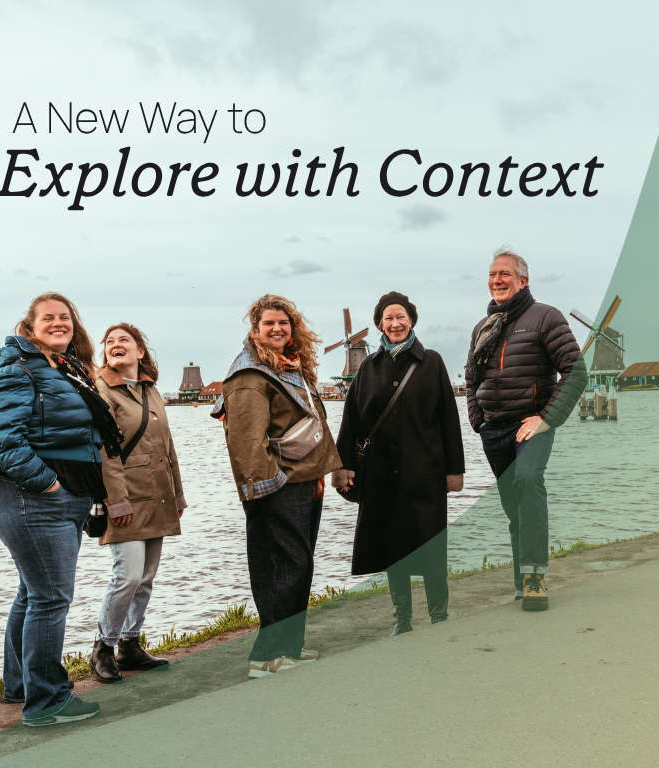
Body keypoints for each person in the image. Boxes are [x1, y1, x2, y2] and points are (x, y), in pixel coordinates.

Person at [0, 292, 123, 726]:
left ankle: (20, 685)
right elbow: (7, 440)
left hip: (62, 497)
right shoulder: (17, 367)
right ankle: (47, 702)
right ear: (29, 326)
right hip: (33, 498)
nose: (58, 323)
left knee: (33, 592)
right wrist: (50, 485)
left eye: (65, 317)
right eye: (48, 318)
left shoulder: (66, 368)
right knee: (50, 597)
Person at [212, 295, 341, 676]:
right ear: (255, 330)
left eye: (283, 323)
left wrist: (319, 474)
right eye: (269, 324)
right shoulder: (250, 375)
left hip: (301, 480)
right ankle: (265, 656)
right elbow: (248, 440)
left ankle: (290, 647)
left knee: (298, 566)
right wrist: (271, 486)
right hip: (277, 485)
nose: (277, 329)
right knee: (279, 568)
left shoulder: (290, 368)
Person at [332, 292, 466, 636]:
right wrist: (342, 465)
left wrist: (454, 470)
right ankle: (401, 620)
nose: (395, 323)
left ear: (412, 321)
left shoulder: (432, 362)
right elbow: (353, 421)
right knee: (393, 550)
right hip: (381, 475)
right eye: (388, 318)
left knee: (431, 546)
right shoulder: (367, 368)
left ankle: (439, 616)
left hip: (425, 474)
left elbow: (449, 418)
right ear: (380, 323)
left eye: (401, 317)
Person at [464, 248, 587, 611]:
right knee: (514, 507)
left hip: (530, 425)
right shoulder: (482, 327)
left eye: (504, 273)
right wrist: (478, 419)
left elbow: (576, 372)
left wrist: (546, 418)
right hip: (494, 431)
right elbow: (471, 379)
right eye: (492, 274)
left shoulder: (545, 317)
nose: (496, 280)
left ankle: (535, 578)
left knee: (529, 479)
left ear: (523, 280)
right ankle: (522, 577)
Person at [89, 324, 188, 684]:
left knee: (145, 578)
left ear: (140, 352)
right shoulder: (101, 389)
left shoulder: (149, 389)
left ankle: (129, 644)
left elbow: (167, 444)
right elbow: (105, 451)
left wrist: (177, 492)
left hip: (158, 494)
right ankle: (103, 646)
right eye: (110, 342)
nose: (116, 345)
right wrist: (116, 502)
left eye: (124, 341)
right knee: (126, 576)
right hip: (126, 498)